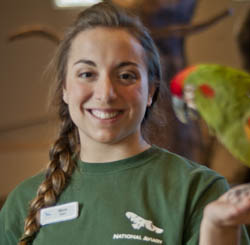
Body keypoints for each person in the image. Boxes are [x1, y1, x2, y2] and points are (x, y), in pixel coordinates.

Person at [0, 2, 249, 245]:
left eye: (126, 76)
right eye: (87, 74)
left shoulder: (199, 190)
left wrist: (218, 229)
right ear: (65, 88)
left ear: (150, 91)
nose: (106, 93)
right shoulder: (24, 201)